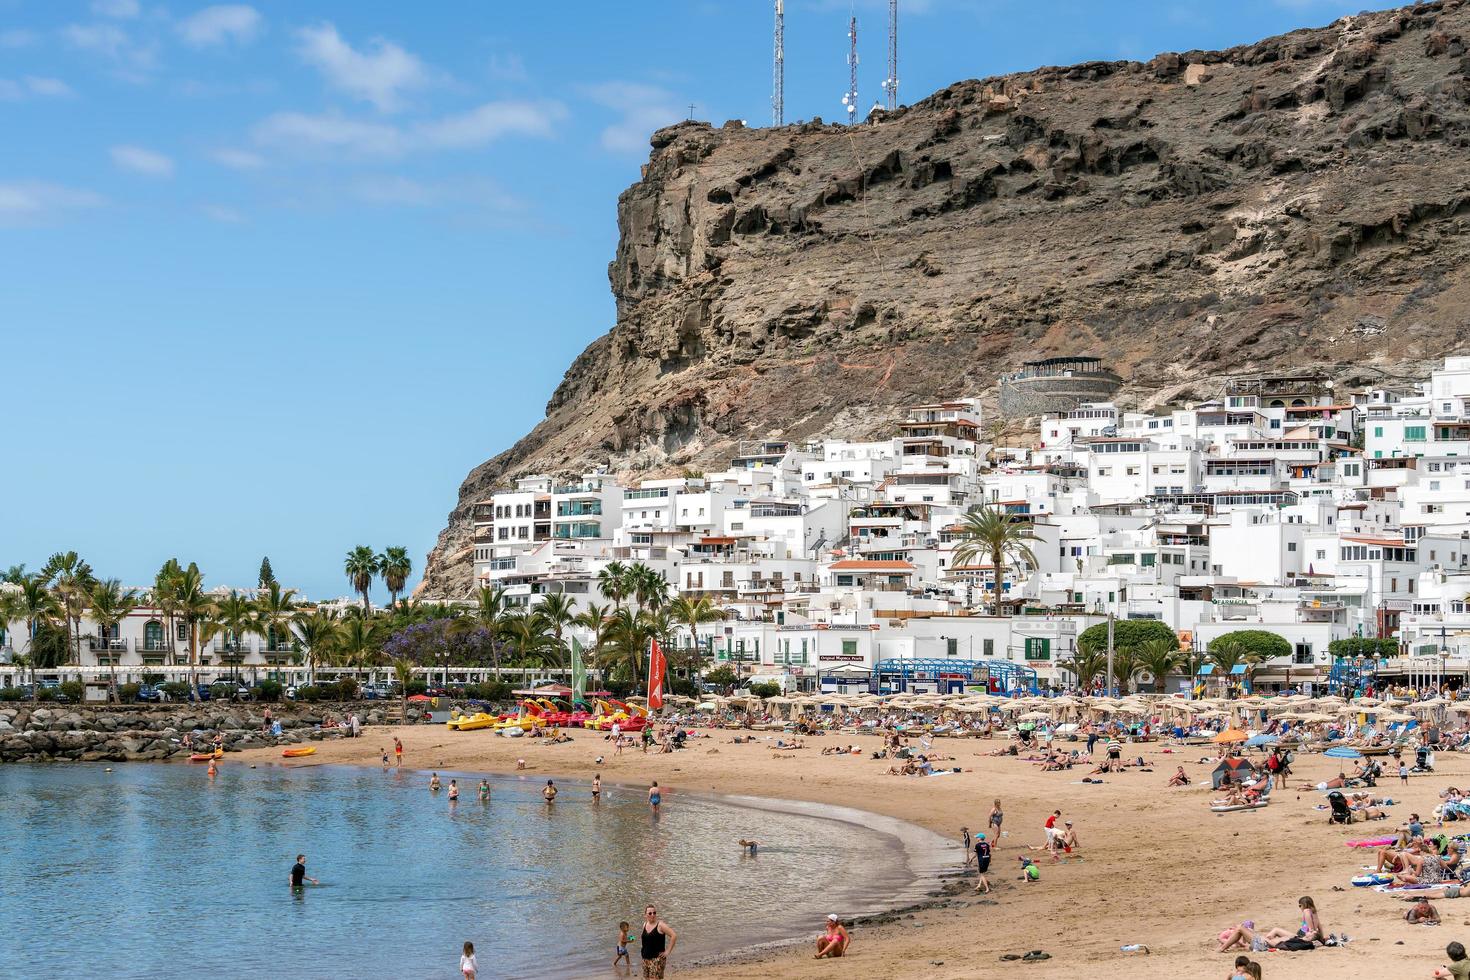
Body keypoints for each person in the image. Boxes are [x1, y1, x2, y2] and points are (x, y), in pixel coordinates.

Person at [1258, 896, 1323, 946]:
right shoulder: (1314, 912)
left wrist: (1307, 938)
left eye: (1300, 905)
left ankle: (1262, 943)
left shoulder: (1306, 911)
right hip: (1311, 936)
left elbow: (1310, 929)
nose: (1300, 908)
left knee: (1276, 930)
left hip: (1303, 936)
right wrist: (1321, 939)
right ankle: (1265, 942)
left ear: (1304, 905)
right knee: (1278, 936)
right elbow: (1320, 927)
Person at [639, 905, 676, 979]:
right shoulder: (644, 924)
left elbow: (673, 935)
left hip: (657, 959)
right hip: (645, 958)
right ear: (645, 915)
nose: (652, 915)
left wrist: (667, 952)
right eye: (650, 913)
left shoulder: (660, 925)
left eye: (654, 913)